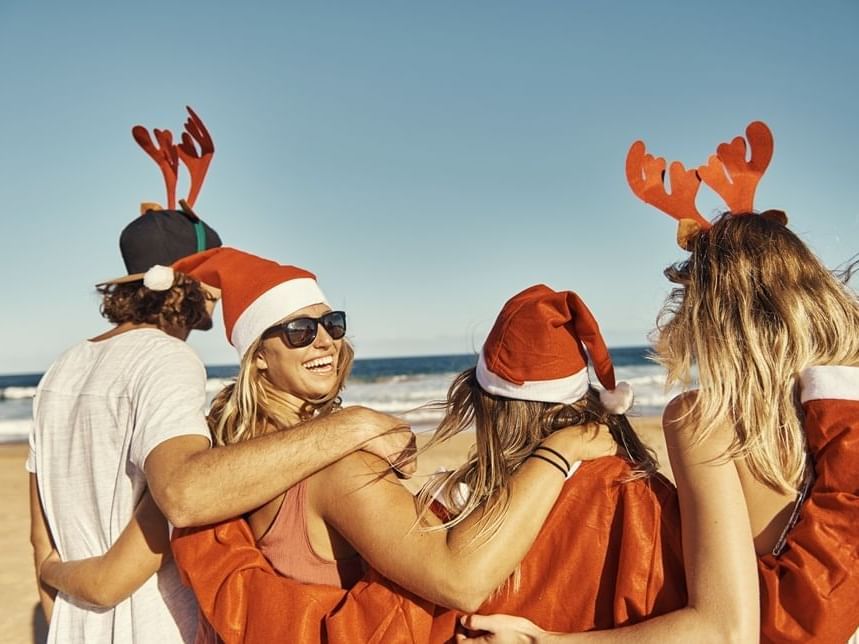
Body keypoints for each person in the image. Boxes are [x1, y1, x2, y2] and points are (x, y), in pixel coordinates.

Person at [457, 122, 859, 643]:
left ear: (713, 313)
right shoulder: (840, 415)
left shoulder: (705, 420)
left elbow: (725, 630)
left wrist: (547, 641)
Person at [28, 110, 413, 643]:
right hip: (156, 628)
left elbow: (39, 541)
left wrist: (57, 587)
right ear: (187, 286)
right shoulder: (166, 359)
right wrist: (355, 426)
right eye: (209, 278)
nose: (218, 291)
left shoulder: (59, 369)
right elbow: (176, 506)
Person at [170, 282, 695, 642]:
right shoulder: (337, 465)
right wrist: (561, 449)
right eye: (298, 332)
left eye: (331, 323)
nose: (326, 339)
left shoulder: (238, 466)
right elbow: (457, 580)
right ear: (257, 356)